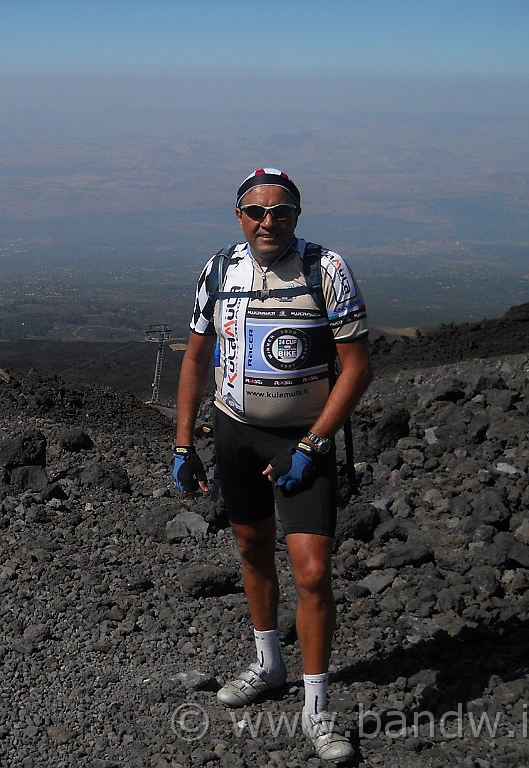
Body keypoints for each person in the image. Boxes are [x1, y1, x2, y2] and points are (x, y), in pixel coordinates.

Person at [173, 168, 373, 764]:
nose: (268, 222)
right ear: (239, 216)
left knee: (312, 573)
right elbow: (194, 359)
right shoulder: (218, 269)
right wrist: (183, 444)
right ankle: (268, 663)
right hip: (235, 430)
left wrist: (313, 443)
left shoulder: (326, 270)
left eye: (280, 212)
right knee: (252, 551)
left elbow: (358, 367)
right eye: (256, 211)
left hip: (301, 439)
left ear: (296, 216)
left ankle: (317, 710)